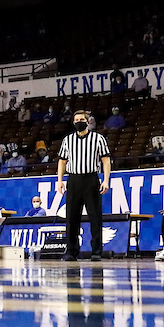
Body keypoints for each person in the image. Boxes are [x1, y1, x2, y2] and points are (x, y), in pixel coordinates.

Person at [56, 110, 111, 262]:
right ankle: (71, 251)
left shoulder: (98, 138)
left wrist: (106, 180)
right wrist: (59, 180)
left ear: (87, 122)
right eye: (76, 120)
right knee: (72, 218)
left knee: (95, 216)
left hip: (91, 179)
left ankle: (96, 251)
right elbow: (62, 160)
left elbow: (105, 160)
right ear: (73, 123)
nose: (79, 121)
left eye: (82, 119)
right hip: (73, 180)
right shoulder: (67, 140)